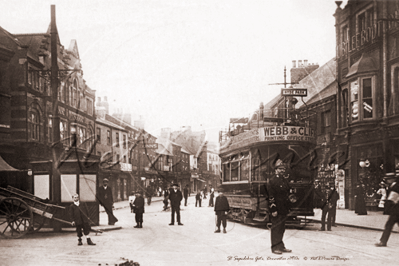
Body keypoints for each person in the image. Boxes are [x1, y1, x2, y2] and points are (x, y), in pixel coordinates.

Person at [266, 159, 292, 255]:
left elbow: (287, 194)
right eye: (280, 169)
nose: (282, 171)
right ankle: (274, 247)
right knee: (276, 228)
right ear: (276, 170)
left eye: (283, 169)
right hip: (276, 208)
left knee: (282, 228)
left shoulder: (284, 180)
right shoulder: (272, 181)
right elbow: (270, 196)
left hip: (283, 208)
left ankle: (281, 246)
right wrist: (273, 209)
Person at [375, 176, 399, 247]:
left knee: (389, 225)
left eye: (388, 179)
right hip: (396, 209)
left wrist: (388, 208)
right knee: (389, 225)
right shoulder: (394, 185)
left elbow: (392, 198)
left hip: (396, 210)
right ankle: (383, 241)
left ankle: (383, 242)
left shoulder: (396, 185)